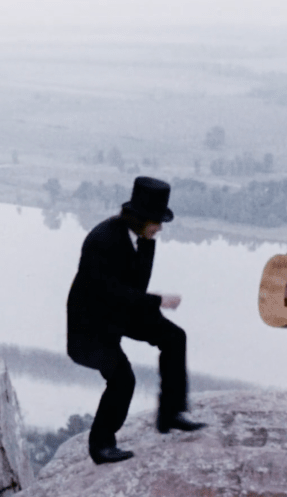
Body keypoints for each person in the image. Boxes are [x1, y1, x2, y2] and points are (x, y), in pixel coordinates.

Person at [66, 176, 205, 465]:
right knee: (122, 378)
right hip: (90, 327)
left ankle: (171, 413)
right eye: (156, 221)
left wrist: (147, 243)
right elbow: (109, 293)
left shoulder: (139, 237)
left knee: (174, 337)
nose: (160, 228)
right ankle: (101, 445)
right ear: (141, 218)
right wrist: (159, 301)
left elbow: (136, 287)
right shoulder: (101, 239)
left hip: (118, 314)